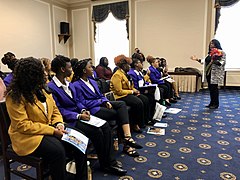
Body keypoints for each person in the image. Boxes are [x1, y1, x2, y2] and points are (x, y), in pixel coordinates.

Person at [5, 57, 87, 180]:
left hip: (48, 127)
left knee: (80, 139)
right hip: (26, 136)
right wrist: (53, 131)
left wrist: (59, 123)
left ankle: (81, 177)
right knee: (57, 150)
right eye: (42, 71)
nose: (45, 73)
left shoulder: (42, 88)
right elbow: (23, 125)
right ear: (31, 75)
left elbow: (55, 110)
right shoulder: (15, 96)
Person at [48, 55, 127, 175]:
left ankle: (108, 162)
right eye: (69, 67)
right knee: (97, 131)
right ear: (62, 69)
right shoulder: (52, 87)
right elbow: (58, 110)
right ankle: (106, 163)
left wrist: (83, 109)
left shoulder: (68, 83)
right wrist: (78, 116)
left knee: (105, 126)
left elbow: (78, 101)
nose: (72, 69)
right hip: (69, 120)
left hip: (79, 115)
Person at [72, 59, 142, 157]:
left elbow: (100, 95)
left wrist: (106, 101)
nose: (92, 68)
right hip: (93, 109)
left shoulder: (92, 81)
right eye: (90, 67)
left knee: (122, 105)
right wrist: (101, 102)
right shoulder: (76, 85)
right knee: (120, 114)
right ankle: (127, 145)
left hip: (101, 104)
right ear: (84, 71)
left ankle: (127, 137)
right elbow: (82, 102)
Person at [110, 54, 151, 131]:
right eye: (128, 65)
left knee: (144, 98)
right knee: (137, 102)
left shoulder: (125, 74)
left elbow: (130, 86)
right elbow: (119, 91)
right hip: (119, 97)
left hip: (127, 94)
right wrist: (132, 91)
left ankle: (143, 121)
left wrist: (135, 91)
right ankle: (135, 124)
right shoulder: (117, 75)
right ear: (123, 66)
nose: (130, 66)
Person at [190, 39, 226, 109]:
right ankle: (211, 102)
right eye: (210, 44)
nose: (211, 45)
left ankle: (216, 104)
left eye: (213, 44)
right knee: (211, 88)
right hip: (209, 73)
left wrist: (214, 60)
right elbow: (204, 61)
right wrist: (197, 59)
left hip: (215, 73)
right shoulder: (210, 53)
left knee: (214, 88)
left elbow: (222, 63)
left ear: (217, 44)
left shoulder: (221, 53)